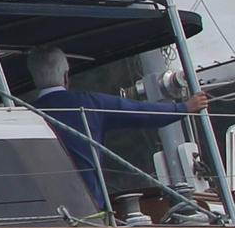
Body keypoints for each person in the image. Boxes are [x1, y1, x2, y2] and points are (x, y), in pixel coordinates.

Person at [25, 45, 211, 213]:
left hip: (41, 210)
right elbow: (140, 112)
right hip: (88, 207)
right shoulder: (89, 104)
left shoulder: (24, 115)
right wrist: (184, 108)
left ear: (34, 79)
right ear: (66, 76)